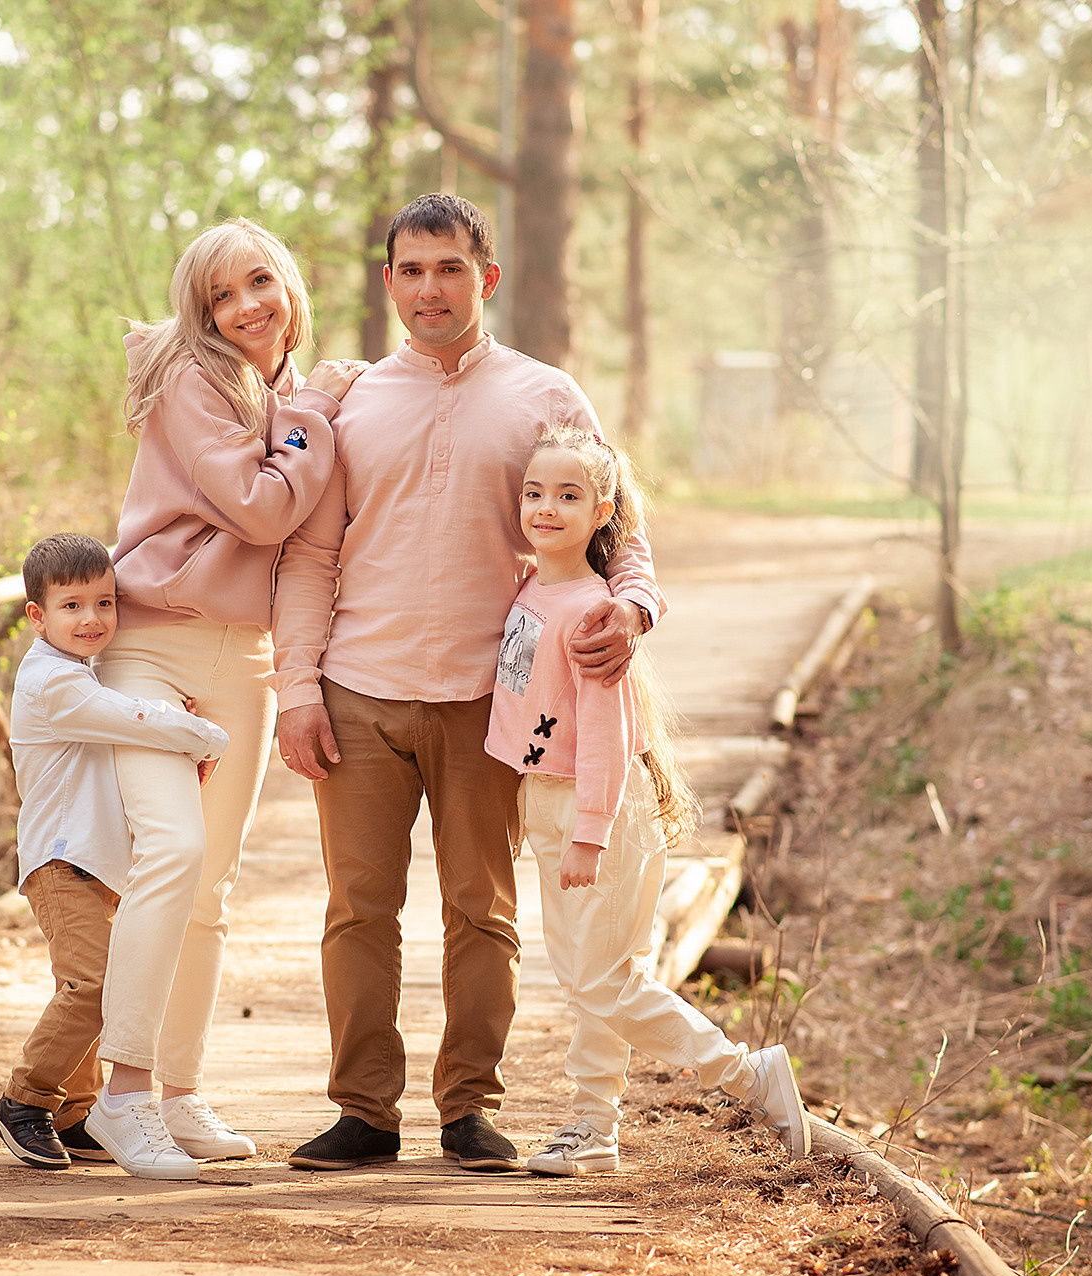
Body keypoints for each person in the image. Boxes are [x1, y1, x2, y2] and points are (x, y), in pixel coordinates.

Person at [272, 193, 665, 1172]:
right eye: (410, 270)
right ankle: (363, 1111)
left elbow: (620, 532)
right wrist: (296, 689)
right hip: (358, 690)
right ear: (388, 282)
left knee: (481, 910)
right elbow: (310, 556)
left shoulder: (546, 396)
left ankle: (468, 1109)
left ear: (485, 277)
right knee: (357, 909)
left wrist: (632, 608)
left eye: (449, 268)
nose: (429, 288)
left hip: (497, 699)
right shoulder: (353, 401)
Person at [84, 218, 369, 1180]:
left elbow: (306, 553)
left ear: (290, 286)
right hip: (151, 643)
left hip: (241, 658)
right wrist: (316, 413)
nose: (246, 307)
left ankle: (179, 1090)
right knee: (170, 850)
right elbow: (259, 507)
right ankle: (121, 1096)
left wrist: (296, 680)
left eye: (260, 282)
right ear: (199, 313)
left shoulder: (297, 397)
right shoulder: (190, 379)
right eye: (221, 296)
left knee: (212, 882)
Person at [489, 425, 810, 1176]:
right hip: (550, 801)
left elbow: (604, 736)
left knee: (604, 979)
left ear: (602, 513)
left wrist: (590, 832)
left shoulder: (594, 614)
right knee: (589, 978)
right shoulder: (531, 589)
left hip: (599, 809)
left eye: (568, 496)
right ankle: (594, 1126)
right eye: (534, 493)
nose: (546, 508)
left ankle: (747, 1074)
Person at [0, 533, 228, 1173]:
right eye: (71, 606)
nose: (91, 619)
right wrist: (204, 735)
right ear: (37, 616)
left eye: (105, 603)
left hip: (97, 862)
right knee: (94, 986)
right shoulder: (53, 683)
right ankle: (25, 1099)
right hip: (62, 862)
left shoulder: (83, 673)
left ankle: (77, 1112)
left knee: (95, 982)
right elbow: (133, 719)